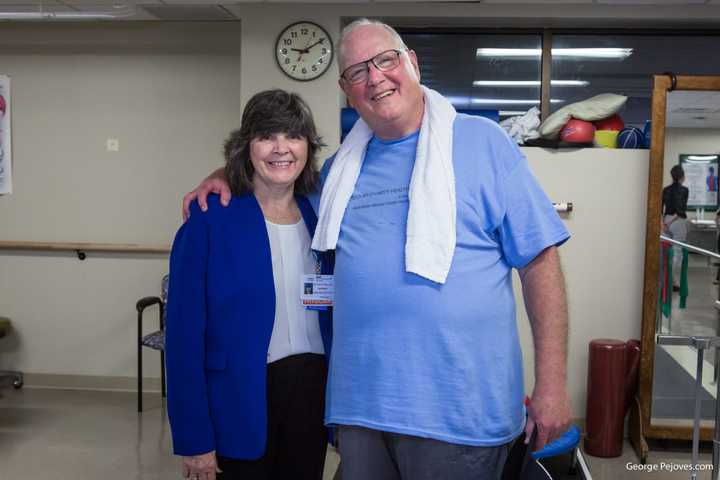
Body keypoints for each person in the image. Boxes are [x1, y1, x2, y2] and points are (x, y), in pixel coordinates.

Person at [183, 19, 571, 480]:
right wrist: (224, 174)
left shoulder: (482, 143)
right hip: (361, 416)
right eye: (357, 72)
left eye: (385, 60)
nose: (375, 78)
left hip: (459, 418)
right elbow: (274, 178)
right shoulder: (340, 173)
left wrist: (552, 385)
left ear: (413, 63)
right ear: (348, 91)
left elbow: (540, 260)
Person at [166, 89, 332, 480]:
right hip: (238, 400)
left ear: (308, 145)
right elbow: (184, 339)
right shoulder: (209, 221)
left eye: (293, 136)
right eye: (266, 136)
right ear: (246, 147)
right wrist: (194, 438)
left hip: (311, 395)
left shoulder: (320, 213)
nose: (281, 149)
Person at [662, 165, 689, 290]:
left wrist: (664, 223)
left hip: (666, 221)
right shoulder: (684, 190)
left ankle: (665, 280)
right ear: (682, 176)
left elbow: (660, 209)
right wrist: (671, 221)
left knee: (665, 253)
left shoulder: (665, 190)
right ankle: (672, 282)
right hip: (677, 221)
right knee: (678, 253)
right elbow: (680, 210)